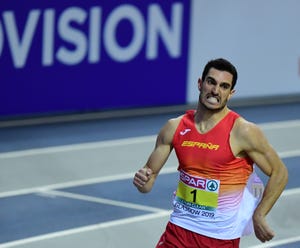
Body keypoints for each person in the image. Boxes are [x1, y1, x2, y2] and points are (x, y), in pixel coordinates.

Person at [133, 58, 288, 248]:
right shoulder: (174, 127)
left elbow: (280, 173)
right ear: (200, 84)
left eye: (224, 86)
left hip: (219, 239)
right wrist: (142, 180)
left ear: (231, 94)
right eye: (211, 82)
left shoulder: (242, 131)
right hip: (178, 231)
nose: (215, 91)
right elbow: (148, 181)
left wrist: (260, 214)